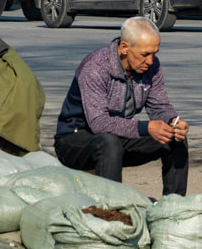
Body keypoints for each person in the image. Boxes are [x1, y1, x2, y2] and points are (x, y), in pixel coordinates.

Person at [54, 17, 189, 196]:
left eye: (154, 53)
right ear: (125, 48)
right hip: (74, 141)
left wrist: (173, 121)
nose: (150, 61)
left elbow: (159, 106)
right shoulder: (96, 66)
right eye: (145, 54)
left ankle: (174, 209)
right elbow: (99, 123)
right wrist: (146, 127)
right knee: (109, 142)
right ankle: (112, 212)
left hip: (115, 138)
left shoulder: (151, 66)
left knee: (174, 138)